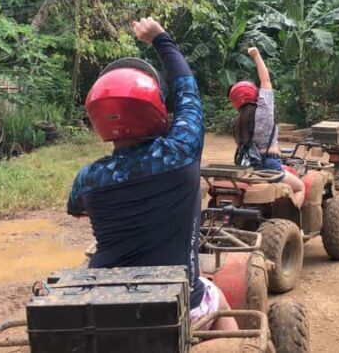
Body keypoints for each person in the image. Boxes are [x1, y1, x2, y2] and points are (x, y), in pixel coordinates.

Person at [67, 17, 237, 331]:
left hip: (107, 307)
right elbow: (188, 93)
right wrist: (161, 39)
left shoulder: (88, 178)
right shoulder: (180, 152)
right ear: (155, 109)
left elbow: (77, 208)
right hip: (176, 302)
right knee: (217, 298)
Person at [229, 47, 305, 207]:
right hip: (270, 165)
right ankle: (296, 228)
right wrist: (256, 55)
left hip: (248, 168)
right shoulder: (264, 110)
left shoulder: (236, 122)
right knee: (300, 187)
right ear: (254, 94)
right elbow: (265, 80)